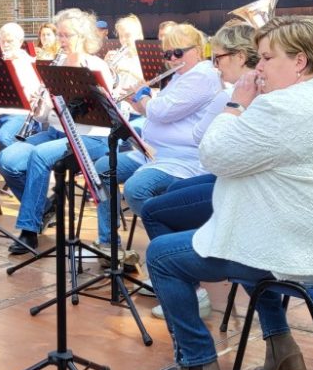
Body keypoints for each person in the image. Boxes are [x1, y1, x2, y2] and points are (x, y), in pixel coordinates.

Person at [146, 16, 313, 370]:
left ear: (299, 62)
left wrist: (236, 103)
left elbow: (214, 154)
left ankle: (196, 363)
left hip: (297, 253)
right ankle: (280, 344)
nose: (259, 67)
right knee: (241, 235)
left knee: (162, 255)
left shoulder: (284, 107)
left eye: (267, 58)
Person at [141, 21, 258, 319]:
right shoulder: (244, 88)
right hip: (238, 182)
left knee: (153, 209)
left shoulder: (236, 93)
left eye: (217, 57)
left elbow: (208, 149)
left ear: (240, 57)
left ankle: (188, 288)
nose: (215, 66)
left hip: (242, 194)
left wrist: (231, 109)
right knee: (173, 193)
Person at [93, 23, 221, 260]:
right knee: (102, 168)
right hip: (152, 152)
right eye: (167, 54)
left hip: (181, 159)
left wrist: (142, 94)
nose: (172, 60)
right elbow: (156, 112)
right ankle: (109, 243)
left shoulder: (202, 76)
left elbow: (162, 111)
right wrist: (139, 103)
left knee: (136, 189)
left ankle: (175, 248)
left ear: (198, 49)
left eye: (178, 53)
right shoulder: (181, 76)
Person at [0, 9, 113, 254]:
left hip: (89, 137)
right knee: (6, 159)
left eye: (66, 35)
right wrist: (38, 104)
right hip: (57, 132)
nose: (60, 40)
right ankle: (46, 206)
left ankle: (29, 230)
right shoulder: (55, 64)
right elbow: (44, 117)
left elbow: (106, 116)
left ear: (82, 36)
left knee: (39, 156)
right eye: (59, 34)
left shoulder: (95, 66)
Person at [0, 22, 44, 150]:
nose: (5, 45)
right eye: (2, 41)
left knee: (3, 137)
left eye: (9, 41)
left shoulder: (28, 63)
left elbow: (35, 95)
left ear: (20, 41)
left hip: (19, 114)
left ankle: (20, 160)